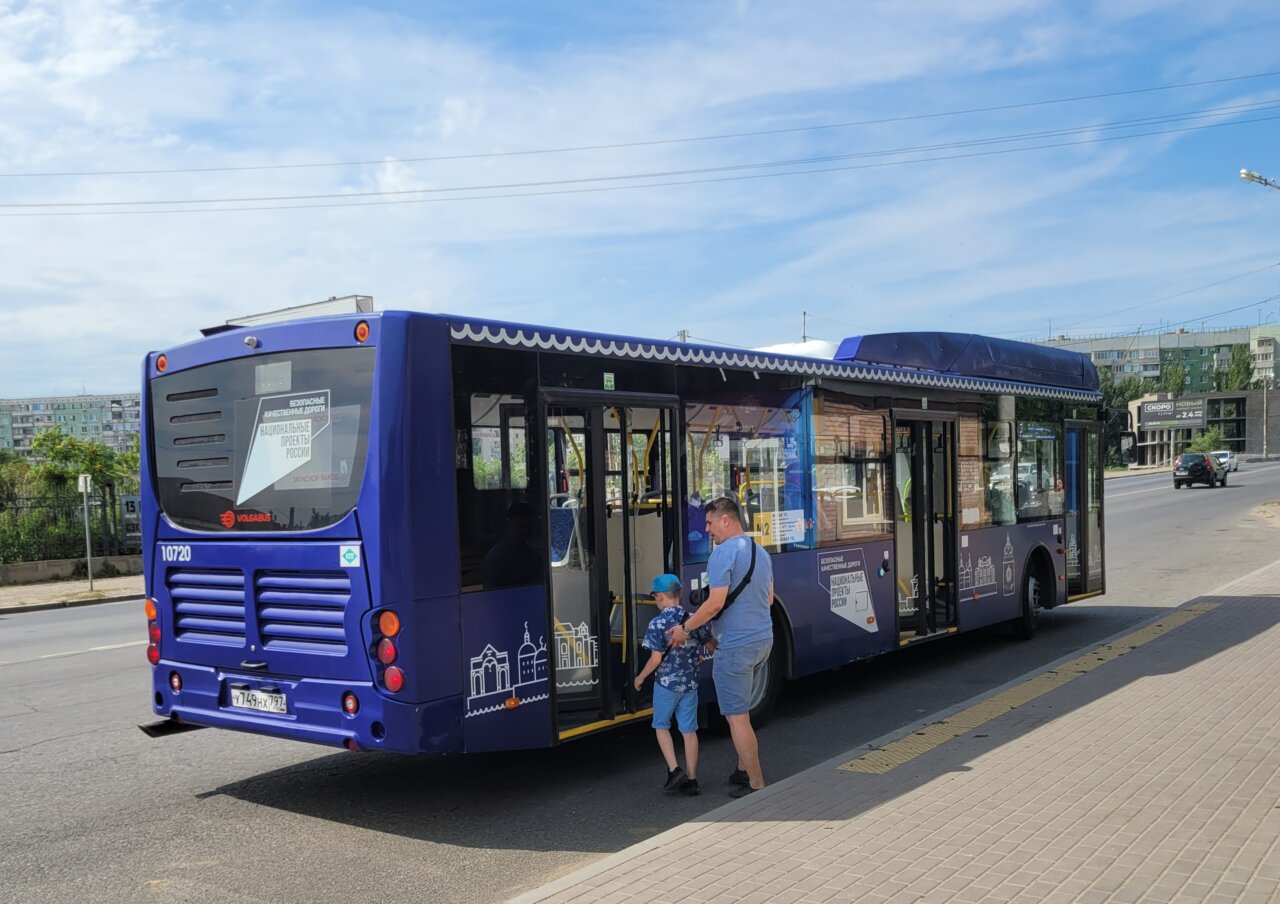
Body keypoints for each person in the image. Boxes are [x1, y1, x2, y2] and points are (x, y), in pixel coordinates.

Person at [669, 495, 774, 797]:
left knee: (736, 717)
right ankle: (742, 772)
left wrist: (685, 628)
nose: (707, 529)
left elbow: (714, 604)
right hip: (763, 641)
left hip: (736, 646)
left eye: (710, 522)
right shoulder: (760, 552)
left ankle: (756, 783)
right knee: (742, 711)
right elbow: (768, 599)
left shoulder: (722, 554)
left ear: (725, 519)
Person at [633, 573, 715, 796]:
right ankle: (692, 779)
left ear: (659, 596)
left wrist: (640, 677)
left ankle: (673, 769)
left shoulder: (657, 623)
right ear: (679, 594)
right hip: (690, 685)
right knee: (689, 731)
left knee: (661, 725)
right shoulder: (694, 619)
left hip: (666, 685)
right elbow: (710, 647)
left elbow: (656, 659)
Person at [481, 502, 544, 588]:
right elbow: (490, 593)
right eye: (521, 526)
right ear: (509, 525)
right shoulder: (496, 557)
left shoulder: (532, 555)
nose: (526, 531)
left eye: (529, 526)